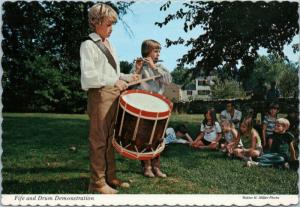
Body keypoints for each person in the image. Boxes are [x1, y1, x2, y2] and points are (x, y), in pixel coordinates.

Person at [80, 3, 139, 194]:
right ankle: (97, 183)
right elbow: (89, 78)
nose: (111, 29)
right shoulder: (88, 45)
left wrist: (130, 77)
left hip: (113, 94)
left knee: (110, 138)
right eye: (108, 24)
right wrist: (115, 82)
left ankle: (110, 176)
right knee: (98, 140)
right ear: (95, 22)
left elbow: (114, 74)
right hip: (100, 95)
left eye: (112, 25)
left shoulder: (110, 45)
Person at [131, 39, 172, 178]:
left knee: (158, 137)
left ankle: (156, 166)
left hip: (158, 105)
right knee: (144, 136)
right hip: (143, 105)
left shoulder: (161, 67)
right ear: (147, 52)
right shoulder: (139, 66)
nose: (158, 53)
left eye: (159, 51)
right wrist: (137, 69)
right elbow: (131, 84)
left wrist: (154, 67)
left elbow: (167, 81)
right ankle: (147, 166)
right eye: (155, 51)